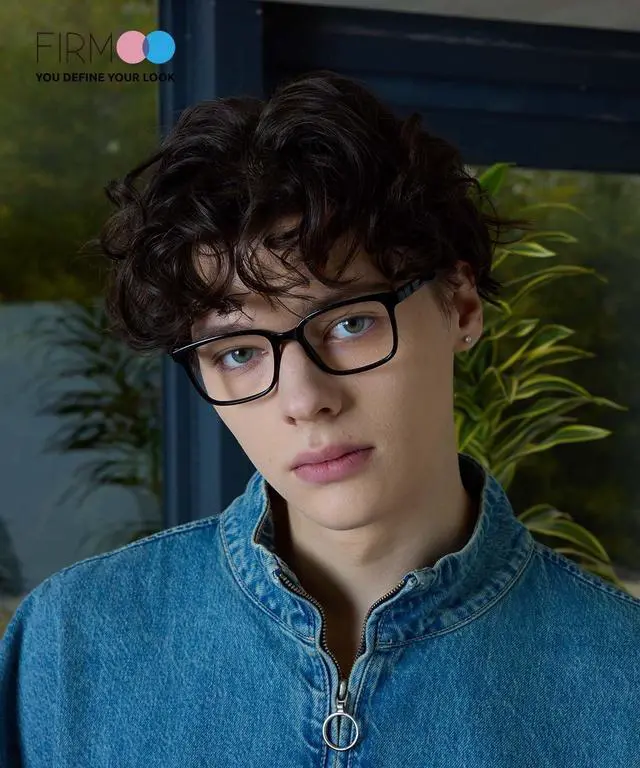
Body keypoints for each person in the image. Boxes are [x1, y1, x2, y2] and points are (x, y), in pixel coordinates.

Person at [1, 70, 638, 767]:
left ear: (459, 305)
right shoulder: (70, 644)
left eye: (349, 322)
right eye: (239, 352)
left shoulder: (621, 679)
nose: (304, 399)